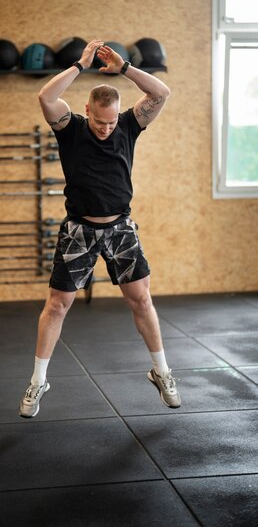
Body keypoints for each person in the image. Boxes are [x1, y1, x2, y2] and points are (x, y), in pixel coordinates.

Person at [19, 38, 181, 418]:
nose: (106, 128)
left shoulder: (128, 125)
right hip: (79, 229)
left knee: (141, 299)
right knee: (58, 305)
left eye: (111, 122)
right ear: (86, 109)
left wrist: (124, 68)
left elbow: (161, 92)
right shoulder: (70, 128)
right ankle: (38, 380)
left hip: (121, 227)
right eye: (99, 120)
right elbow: (46, 96)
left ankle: (162, 372)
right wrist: (80, 65)